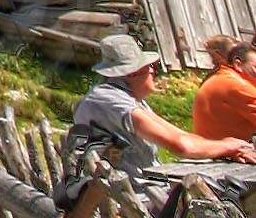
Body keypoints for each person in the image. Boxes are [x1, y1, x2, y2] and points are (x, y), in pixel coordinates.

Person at [70, 32, 256, 174]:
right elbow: (179, 146)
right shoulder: (110, 102)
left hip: (131, 189)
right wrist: (228, 146)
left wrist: (226, 148)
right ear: (132, 73)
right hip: (126, 198)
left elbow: (180, 134)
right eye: (149, 67)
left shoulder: (125, 98)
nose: (153, 71)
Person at [194, 36, 256, 147]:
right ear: (238, 64)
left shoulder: (221, 76)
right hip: (224, 156)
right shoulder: (237, 85)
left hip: (214, 149)